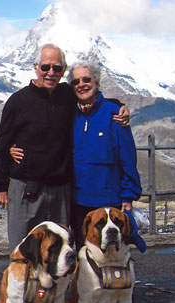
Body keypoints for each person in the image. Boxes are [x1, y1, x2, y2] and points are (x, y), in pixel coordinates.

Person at [0, 43, 129, 253]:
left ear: (63, 70)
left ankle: (54, 288)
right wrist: (1, 186)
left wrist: (118, 105)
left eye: (57, 68)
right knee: (23, 251)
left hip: (60, 191)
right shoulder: (17, 102)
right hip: (27, 189)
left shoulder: (67, 94)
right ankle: (23, 287)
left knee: (59, 251)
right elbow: (2, 145)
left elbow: (91, 95)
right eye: (46, 67)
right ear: (35, 67)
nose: (51, 73)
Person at [67, 61, 142, 250]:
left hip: (109, 202)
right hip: (77, 202)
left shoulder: (115, 113)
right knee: (83, 253)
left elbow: (127, 158)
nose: (81, 84)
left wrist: (128, 197)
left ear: (96, 82)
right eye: (76, 82)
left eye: (86, 79)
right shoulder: (68, 115)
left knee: (113, 254)